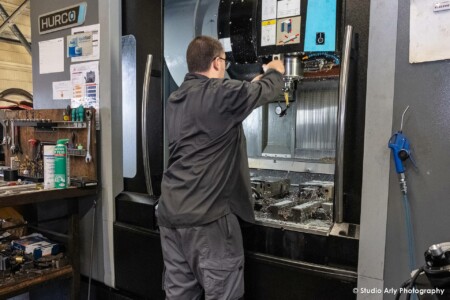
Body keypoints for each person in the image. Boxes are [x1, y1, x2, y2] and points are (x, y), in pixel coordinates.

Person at [158, 35, 285, 300]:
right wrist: (275, 71)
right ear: (217, 62)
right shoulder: (221, 93)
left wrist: (249, 85)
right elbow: (269, 90)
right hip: (208, 220)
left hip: (171, 216)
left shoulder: (176, 99)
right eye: (225, 63)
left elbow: (224, 102)